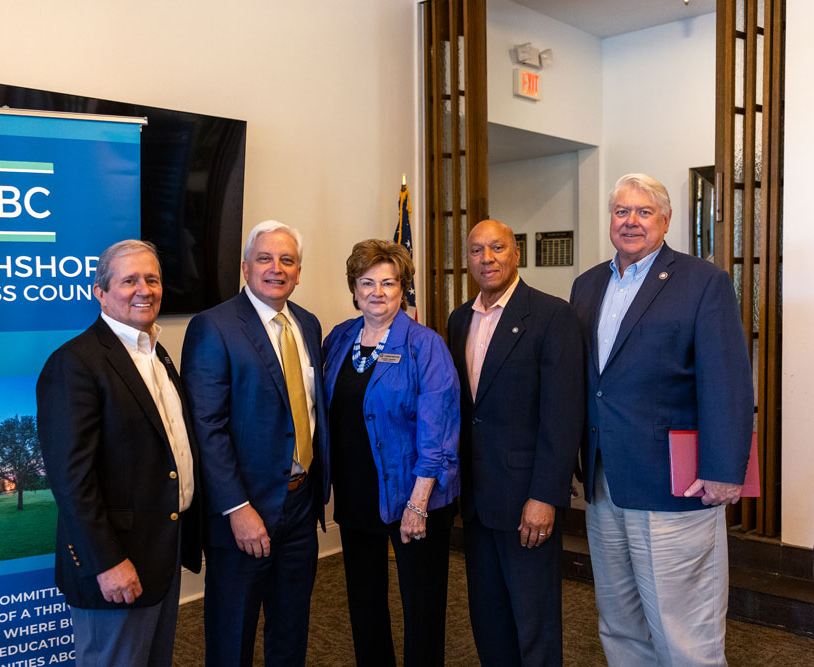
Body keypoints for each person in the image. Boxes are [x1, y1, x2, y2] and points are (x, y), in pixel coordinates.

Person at [569, 173, 753, 666]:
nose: (631, 222)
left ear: (666, 221)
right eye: (621, 212)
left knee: (683, 629)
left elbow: (727, 380)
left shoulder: (702, 281)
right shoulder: (587, 285)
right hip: (605, 482)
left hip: (676, 486)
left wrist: (724, 470)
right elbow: (590, 384)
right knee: (620, 623)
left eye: (643, 212)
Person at [36, 239, 202, 666]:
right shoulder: (75, 363)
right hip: (116, 561)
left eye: (152, 279)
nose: (143, 289)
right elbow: (72, 480)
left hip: (159, 551)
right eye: (129, 280)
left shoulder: (156, 353)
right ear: (101, 292)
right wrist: (108, 562)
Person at [181, 220, 329, 667]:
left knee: (291, 629)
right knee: (233, 634)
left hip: (301, 507)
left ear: (299, 272)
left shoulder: (308, 323)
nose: (276, 268)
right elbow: (207, 426)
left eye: (287, 260)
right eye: (265, 258)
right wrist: (236, 508)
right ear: (246, 268)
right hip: (243, 512)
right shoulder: (213, 326)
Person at [447, 219, 584, 666]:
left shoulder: (551, 315)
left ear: (516, 254)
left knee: (534, 620)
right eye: (476, 250)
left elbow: (562, 416)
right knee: (488, 619)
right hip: (477, 498)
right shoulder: (459, 319)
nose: (487, 259)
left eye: (497, 248)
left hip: (527, 497)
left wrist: (545, 494)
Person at [322, 239, 460, 666]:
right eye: (367, 282)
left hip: (414, 497)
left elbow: (439, 432)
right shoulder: (340, 338)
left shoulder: (425, 345)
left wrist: (418, 504)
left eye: (389, 283)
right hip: (357, 495)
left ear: (403, 289)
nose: (377, 292)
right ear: (354, 287)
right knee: (364, 604)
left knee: (421, 608)